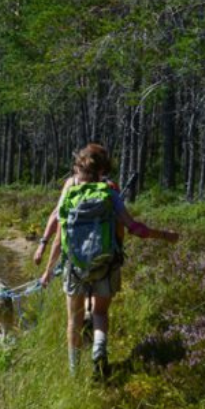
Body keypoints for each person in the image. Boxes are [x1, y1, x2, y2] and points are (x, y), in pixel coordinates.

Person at [38, 143, 179, 377]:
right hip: (107, 262)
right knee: (100, 314)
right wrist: (165, 235)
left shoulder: (70, 187)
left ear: (80, 165)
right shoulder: (110, 190)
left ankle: (74, 372)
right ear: (104, 167)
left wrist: (46, 264)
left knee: (74, 319)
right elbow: (134, 228)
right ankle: (98, 348)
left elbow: (58, 222)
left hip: (74, 266)